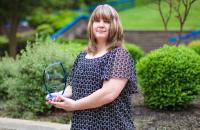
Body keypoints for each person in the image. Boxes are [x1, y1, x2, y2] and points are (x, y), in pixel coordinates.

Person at [47, 4, 138, 130]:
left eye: (106, 21)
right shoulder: (82, 55)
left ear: (115, 26)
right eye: (96, 21)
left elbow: (109, 93)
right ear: (91, 25)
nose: (100, 25)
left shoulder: (120, 55)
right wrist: (59, 96)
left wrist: (74, 105)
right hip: (82, 125)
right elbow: (73, 87)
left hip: (112, 125)